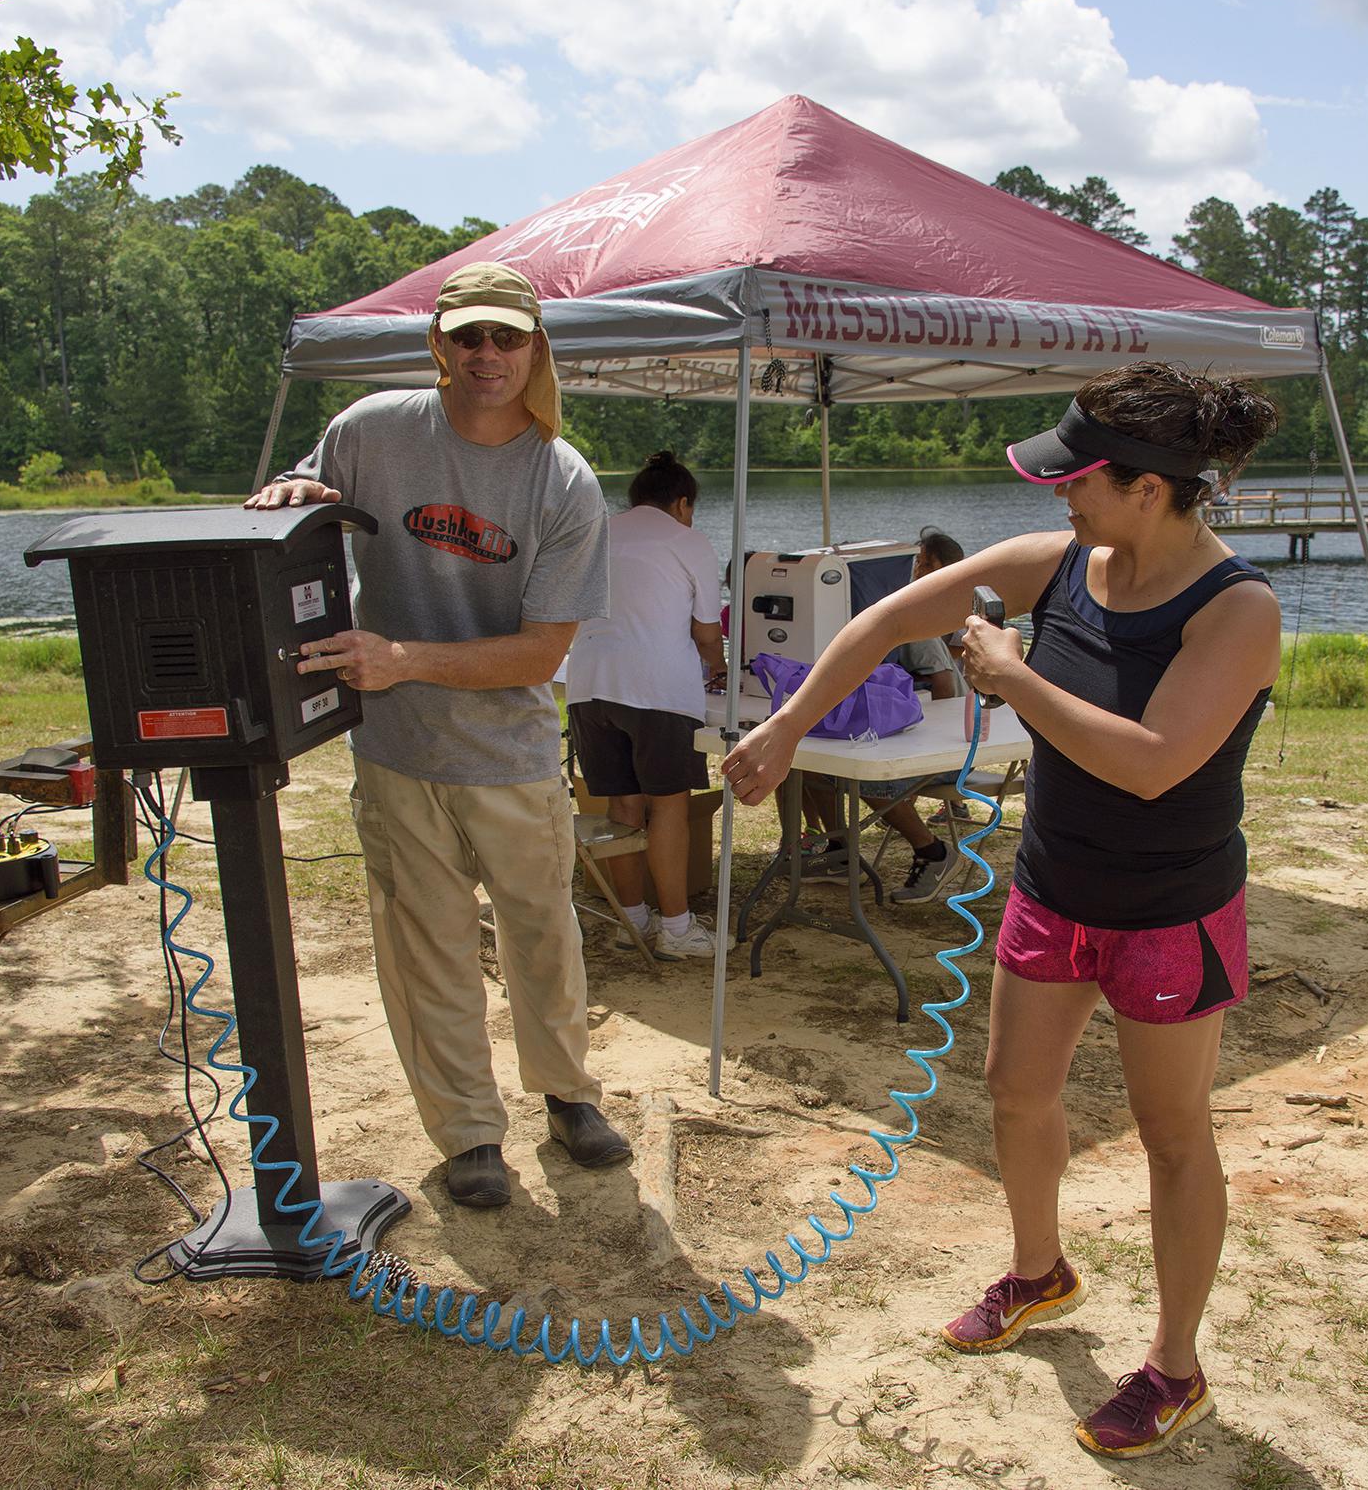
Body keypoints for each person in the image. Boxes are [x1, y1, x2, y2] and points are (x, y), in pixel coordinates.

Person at [721, 360, 1281, 1460]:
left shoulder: (1237, 610)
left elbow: (1156, 765)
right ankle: (1039, 1272)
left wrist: (1012, 679)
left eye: (1076, 480)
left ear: (1148, 487)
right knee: (1015, 1092)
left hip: (1170, 912)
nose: (1057, 496)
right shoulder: (1061, 562)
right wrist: (787, 727)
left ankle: (1174, 1366)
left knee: (1173, 1137)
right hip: (1054, 889)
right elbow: (884, 617)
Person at [245, 261, 630, 1209]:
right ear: (440, 345)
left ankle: (568, 1095)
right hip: (395, 753)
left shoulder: (563, 480)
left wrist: (404, 658)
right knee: (429, 947)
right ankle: (468, 1134)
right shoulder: (370, 430)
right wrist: (294, 494)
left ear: (536, 347)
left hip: (514, 756)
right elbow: (306, 491)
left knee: (544, 936)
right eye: (469, 337)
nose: (487, 355)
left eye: (507, 337)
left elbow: (542, 654)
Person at [566, 451, 726, 958]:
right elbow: (706, 632)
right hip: (657, 689)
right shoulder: (688, 541)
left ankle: (631, 920)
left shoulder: (594, 533)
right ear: (682, 503)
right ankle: (676, 928)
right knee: (669, 804)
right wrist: (719, 667)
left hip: (588, 684)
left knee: (622, 805)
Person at [800, 528, 970, 903]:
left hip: (946, 746)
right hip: (914, 736)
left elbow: (944, 685)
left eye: (922, 564)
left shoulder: (913, 617)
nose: (914, 572)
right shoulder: (897, 611)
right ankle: (839, 851)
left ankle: (933, 852)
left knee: (870, 777)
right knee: (811, 766)